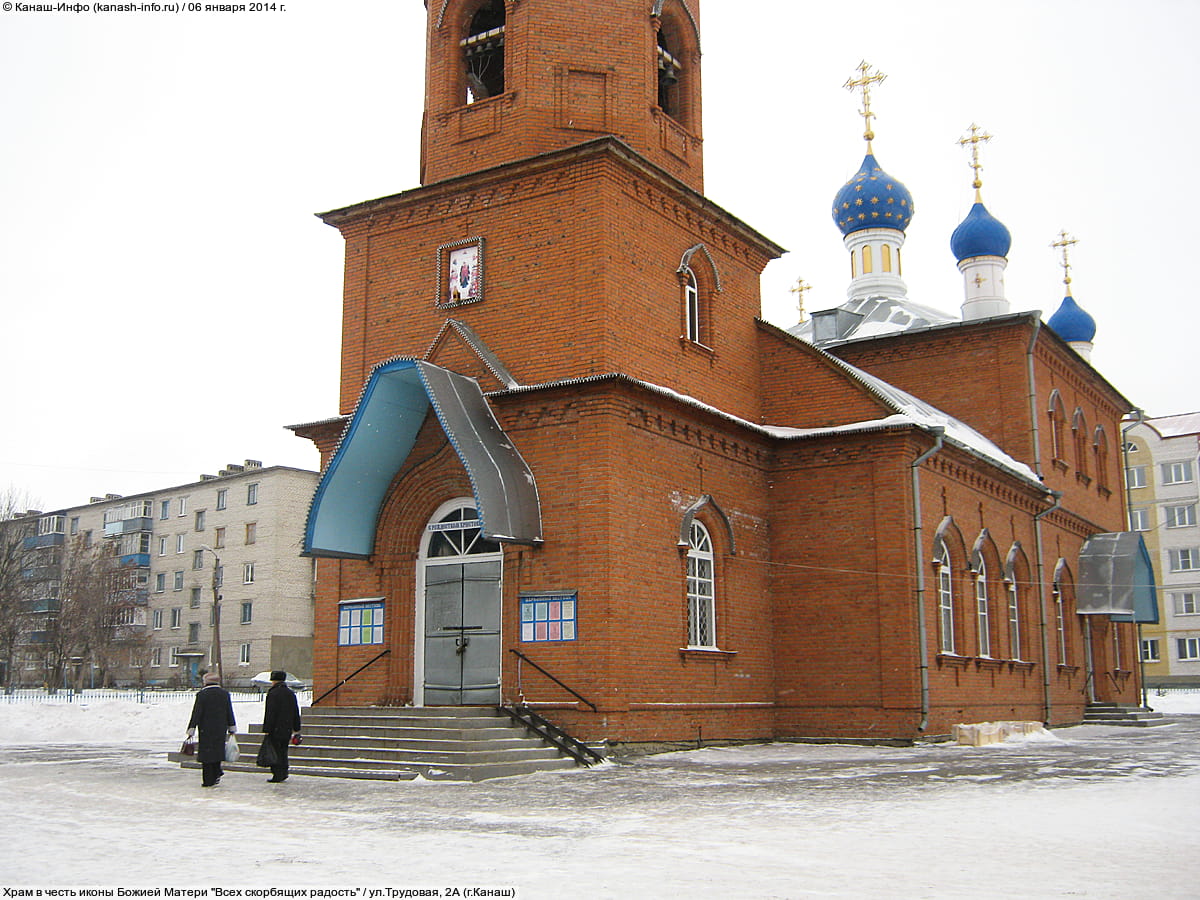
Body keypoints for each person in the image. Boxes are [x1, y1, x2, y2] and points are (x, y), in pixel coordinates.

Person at [186, 671, 237, 787]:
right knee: (217, 751)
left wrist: (192, 727)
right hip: (220, 728)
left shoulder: (202, 695)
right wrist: (232, 726)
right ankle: (216, 772)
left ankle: (208, 779)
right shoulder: (224, 694)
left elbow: (197, 713)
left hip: (206, 728)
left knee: (206, 754)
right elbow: (229, 711)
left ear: (206, 682)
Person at [262, 670, 301, 783]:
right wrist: (296, 727)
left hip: (275, 728)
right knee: (283, 750)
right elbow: (295, 711)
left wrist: (267, 729)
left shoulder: (273, 693)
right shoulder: (290, 693)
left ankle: (277, 773)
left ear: (274, 681)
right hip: (286, 727)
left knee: (275, 751)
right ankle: (284, 771)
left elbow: (270, 712)